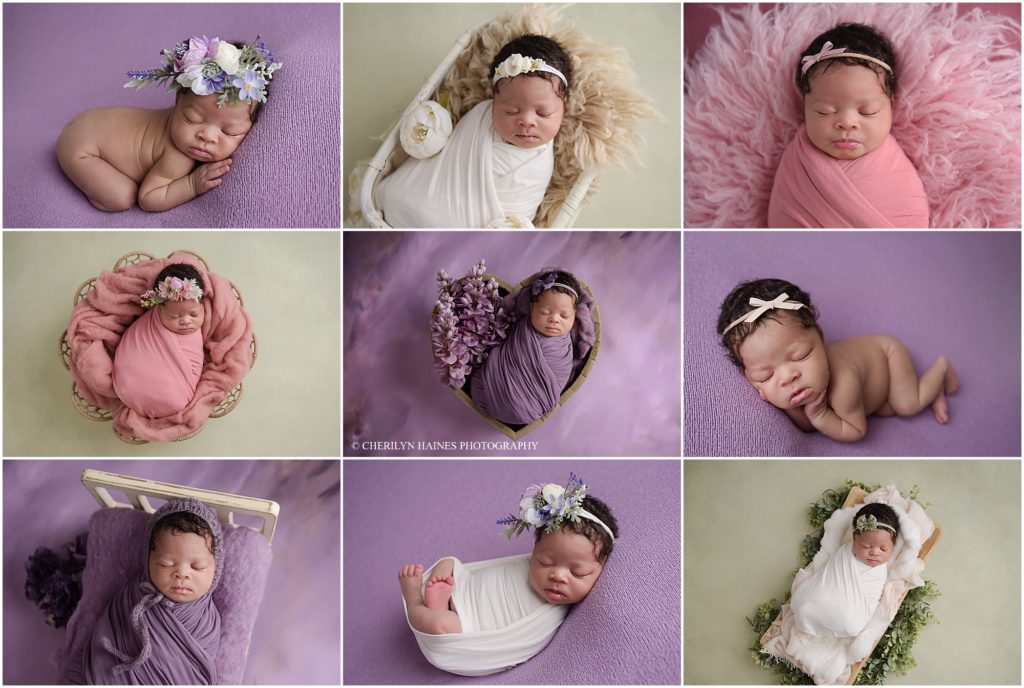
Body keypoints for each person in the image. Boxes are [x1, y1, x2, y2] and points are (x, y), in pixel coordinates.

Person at [397, 474, 618, 675]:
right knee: (447, 563)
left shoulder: (549, 615)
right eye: (545, 562)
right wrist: (460, 584)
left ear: (601, 566)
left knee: (439, 627)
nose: (558, 576)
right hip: (464, 588)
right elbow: (493, 576)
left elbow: (515, 645)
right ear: (534, 551)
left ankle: (415, 600)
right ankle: (440, 601)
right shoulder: (524, 566)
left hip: (464, 629)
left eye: (578, 573)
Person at [56, 35, 281, 212]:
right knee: (121, 197)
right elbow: (149, 198)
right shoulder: (178, 156)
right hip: (82, 147)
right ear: (177, 101)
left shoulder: (188, 125)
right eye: (192, 118)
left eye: (229, 131)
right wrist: (192, 184)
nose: (207, 136)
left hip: (93, 120)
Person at [717, 278, 959, 441]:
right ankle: (931, 391)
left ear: (820, 337)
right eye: (765, 375)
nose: (788, 377)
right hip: (873, 392)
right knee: (886, 409)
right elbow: (806, 423)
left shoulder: (844, 382)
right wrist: (782, 401)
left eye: (800, 356)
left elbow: (856, 430)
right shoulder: (794, 384)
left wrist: (821, 414)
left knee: (906, 404)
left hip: (887, 355)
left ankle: (941, 368)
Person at [374, 34, 571, 227]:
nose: (527, 121)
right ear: (494, 99)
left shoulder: (538, 166)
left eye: (543, 113)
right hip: (408, 195)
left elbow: (518, 216)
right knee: (396, 194)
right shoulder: (480, 115)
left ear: (565, 106)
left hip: (451, 227)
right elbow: (446, 156)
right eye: (511, 111)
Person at [768, 23, 929, 227]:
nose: (847, 123)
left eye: (867, 111)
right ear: (804, 108)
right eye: (825, 111)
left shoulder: (897, 173)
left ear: (891, 106)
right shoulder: (795, 167)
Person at [66, 499, 223, 684]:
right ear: (148, 560)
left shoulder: (207, 623)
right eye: (166, 564)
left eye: (197, 567)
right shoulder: (133, 597)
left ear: (217, 568)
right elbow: (105, 641)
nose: (181, 573)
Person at [470, 270, 587, 425]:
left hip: (532, 406)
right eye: (544, 312)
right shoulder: (523, 328)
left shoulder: (563, 349)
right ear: (531, 308)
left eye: (564, 316)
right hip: (488, 390)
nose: (554, 319)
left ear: (574, 315)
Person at [790, 503, 899, 639]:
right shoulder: (844, 553)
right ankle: (809, 614)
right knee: (806, 603)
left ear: (893, 545)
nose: (875, 553)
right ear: (854, 538)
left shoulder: (879, 572)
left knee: (851, 625)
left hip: (849, 616)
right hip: (820, 598)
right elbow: (828, 577)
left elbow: (871, 597)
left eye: (883, 549)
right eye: (866, 546)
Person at [112, 264, 206, 418]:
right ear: (158, 309)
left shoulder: (195, 333)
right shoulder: (149, 326)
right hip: (129, 386)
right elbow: (132, 352)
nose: (185, 322)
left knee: (174, 398)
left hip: (172, 398)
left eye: (194, 314)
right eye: (174, 317)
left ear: (202, 305)